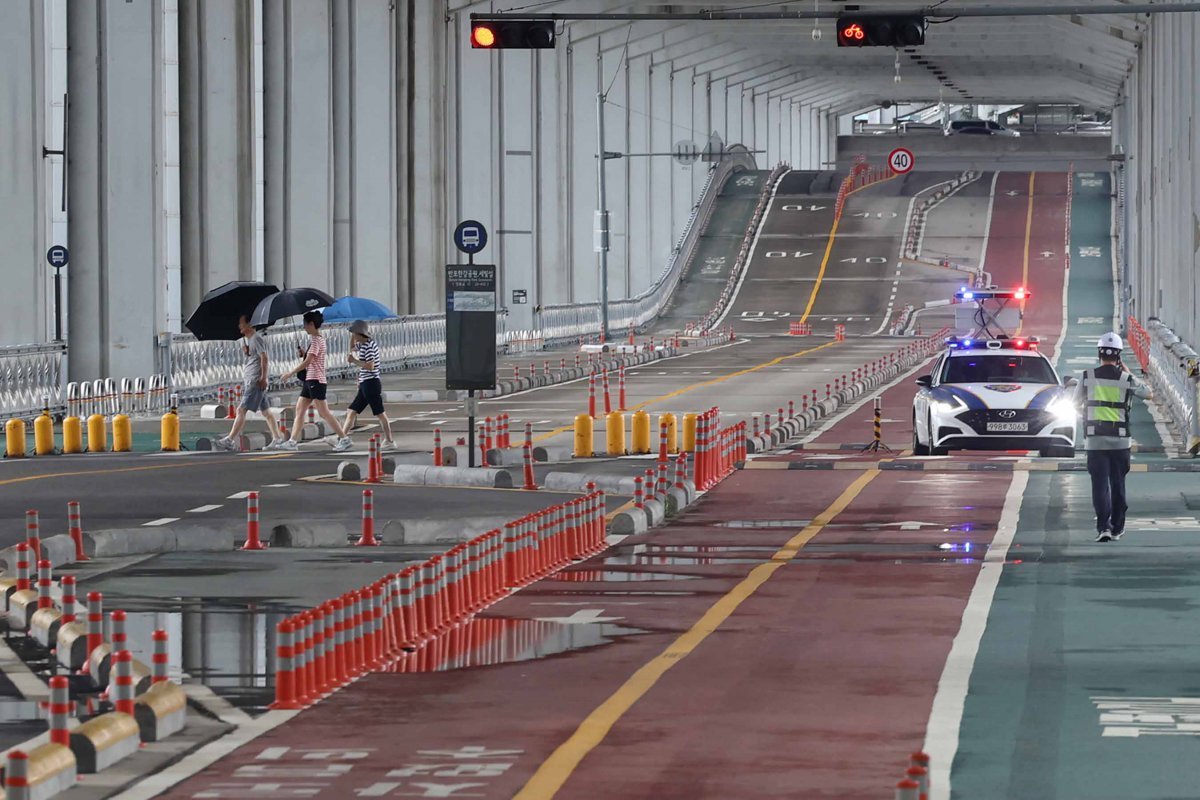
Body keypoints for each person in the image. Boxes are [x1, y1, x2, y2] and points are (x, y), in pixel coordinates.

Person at [1072, 332, 1152, 542]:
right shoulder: (1125, 378)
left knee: (1099, 486)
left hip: (1094, 440)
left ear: (1099, 353)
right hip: (1120, 440)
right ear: (1118, 356)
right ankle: (1117, 527)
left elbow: (1074, 404)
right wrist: (1127, 371)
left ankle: (1103, 528)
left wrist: (1088, 418)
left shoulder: (1087, 376)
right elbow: (1148, 393)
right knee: (1118, 484)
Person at [276, 310, 353, 452]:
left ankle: (344, 438)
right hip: (310, 379)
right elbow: (309, 359)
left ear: (311, 324)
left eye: (305, 324)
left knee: (324, 413)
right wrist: (304, 353)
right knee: (300, 410)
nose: (303, 327)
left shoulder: (317, 340)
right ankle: (292, 441)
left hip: (316, 380)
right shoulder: (315, 340)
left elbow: (309, 361)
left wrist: (290, 372)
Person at [214, 316, 283, 451]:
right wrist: (248, 352)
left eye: (241, 323)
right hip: (253, 379)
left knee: (241, 410)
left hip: (255, 381)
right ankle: (277, 439)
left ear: (249, 324)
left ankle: (230, 439)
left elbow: (264, 358)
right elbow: (257, 357)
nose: (239, 326)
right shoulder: (250, 340)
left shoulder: (256, 339)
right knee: (266, 412)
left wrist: (263, 378)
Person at [342, 320, 397, 451]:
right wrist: (351, 332)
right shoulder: (363, 344)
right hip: (365, 383)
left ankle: (390, 441)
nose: (354, 337)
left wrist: (354, 361)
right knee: (351, 411)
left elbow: (370, 366)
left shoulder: (369, 346)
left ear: (361, 334)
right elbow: (352, 347)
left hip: (371, 383)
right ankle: (342, 438)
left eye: (355, 334)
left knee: (380, 413)